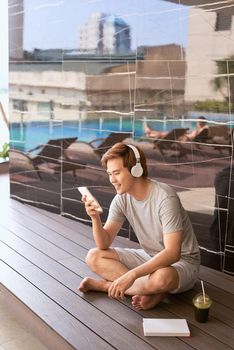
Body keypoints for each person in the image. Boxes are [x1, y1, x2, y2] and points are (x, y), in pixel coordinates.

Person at [78, 143, 200, 310]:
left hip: (182, 262)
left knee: (161, 278)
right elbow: (103, 244)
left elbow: (172, 253)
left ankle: (105, 286)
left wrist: (132, 275)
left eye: (117, 173)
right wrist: (95, 217)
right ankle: (151, 291)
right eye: (109, 174)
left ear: (136, 170)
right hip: (150, 256)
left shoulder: (165, 198)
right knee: (93, 256)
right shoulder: (121, 199)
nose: (112, 180)